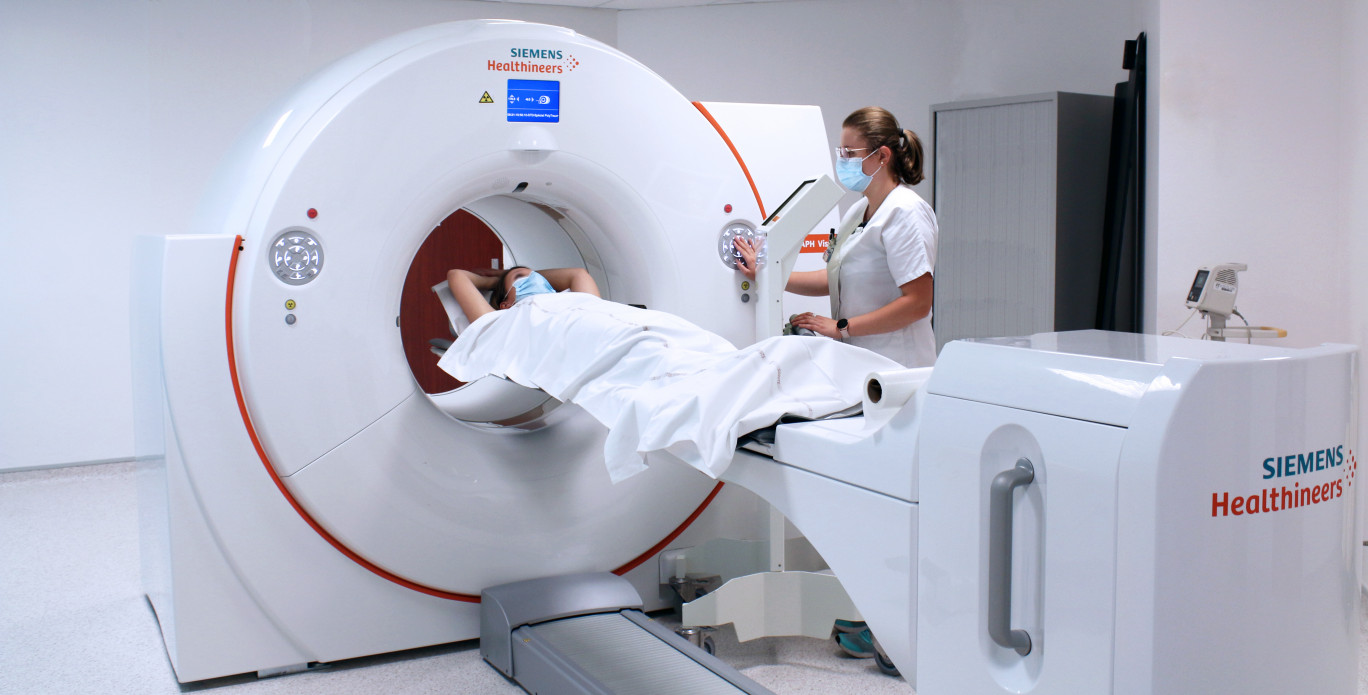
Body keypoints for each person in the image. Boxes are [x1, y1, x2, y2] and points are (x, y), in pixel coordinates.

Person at [734, 106, 938, 368]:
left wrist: (841, 327)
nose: (843, 161)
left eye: (850, 154)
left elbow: (918, 304)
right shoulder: (858, 211)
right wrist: (766, 274)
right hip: (859, 362)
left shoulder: (905, 212)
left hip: (898, 365)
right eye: (840, 152)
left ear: (883, 156)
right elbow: (835, 277)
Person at [446, 265, 600, 324]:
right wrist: (491, 282)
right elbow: (456, 275)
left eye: (538, 279)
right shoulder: (501, 324)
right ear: (505, 304)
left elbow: (578, 274)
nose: (534, 281)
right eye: (520, 279)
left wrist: (503, 275)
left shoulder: (580, 301)